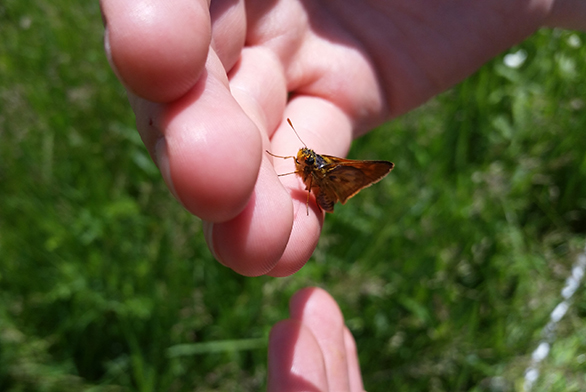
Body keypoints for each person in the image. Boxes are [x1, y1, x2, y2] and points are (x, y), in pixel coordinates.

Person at [99, 1, 584, 389]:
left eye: (304, 155)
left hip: (327, 189)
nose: (303, 156)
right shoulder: (310, 162)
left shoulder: (318, 165)